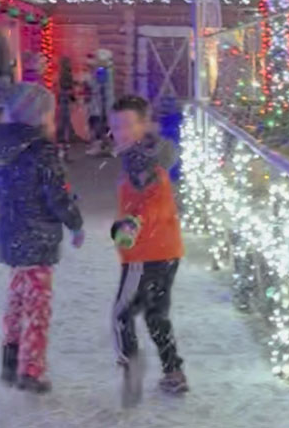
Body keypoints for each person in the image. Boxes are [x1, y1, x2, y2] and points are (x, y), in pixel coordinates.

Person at [0, 80, 85, 394]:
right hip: (39, 238)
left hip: (12, 236)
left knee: (16, 299)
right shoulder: (44, 152)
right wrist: (75, 222)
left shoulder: (1, 150)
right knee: (38, 307)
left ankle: (9, 360)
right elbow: (56, 195)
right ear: (41, 117)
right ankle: (31, 370)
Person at [108, 94, 187, 406]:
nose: (121, 132)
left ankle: (131, 364)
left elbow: (150, 204)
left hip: (146, 253)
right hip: (166, 250)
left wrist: (126, 232)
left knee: (120, 315)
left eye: (127, 124)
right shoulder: (144, 156)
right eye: (115, 126)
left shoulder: (142, 162)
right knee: (156, 315)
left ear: (145, 125)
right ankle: (174, 372)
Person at [56, 57, 76, 161]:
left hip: (62, 103)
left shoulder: (60, 76)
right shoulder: (67, 76)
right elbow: (69, 90)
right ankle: (64, 150)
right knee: (65, 125)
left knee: (63, 125)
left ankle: (63, 150)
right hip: (65, 103)